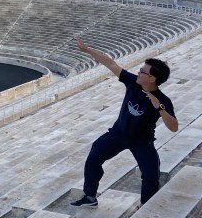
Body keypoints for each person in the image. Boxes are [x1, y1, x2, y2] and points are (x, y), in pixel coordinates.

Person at [71, 36, 179, 207]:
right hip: (118, 134)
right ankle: (90, 197)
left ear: (152, 78)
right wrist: (87, 50)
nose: (138, 72)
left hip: (142, 141)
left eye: (142, 71)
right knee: (93, 158)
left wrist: (159, 107)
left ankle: (145, 207)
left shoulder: (162, 100)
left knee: (151, 176)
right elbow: (111, 64)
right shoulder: (134, 83)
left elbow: (174, 127)